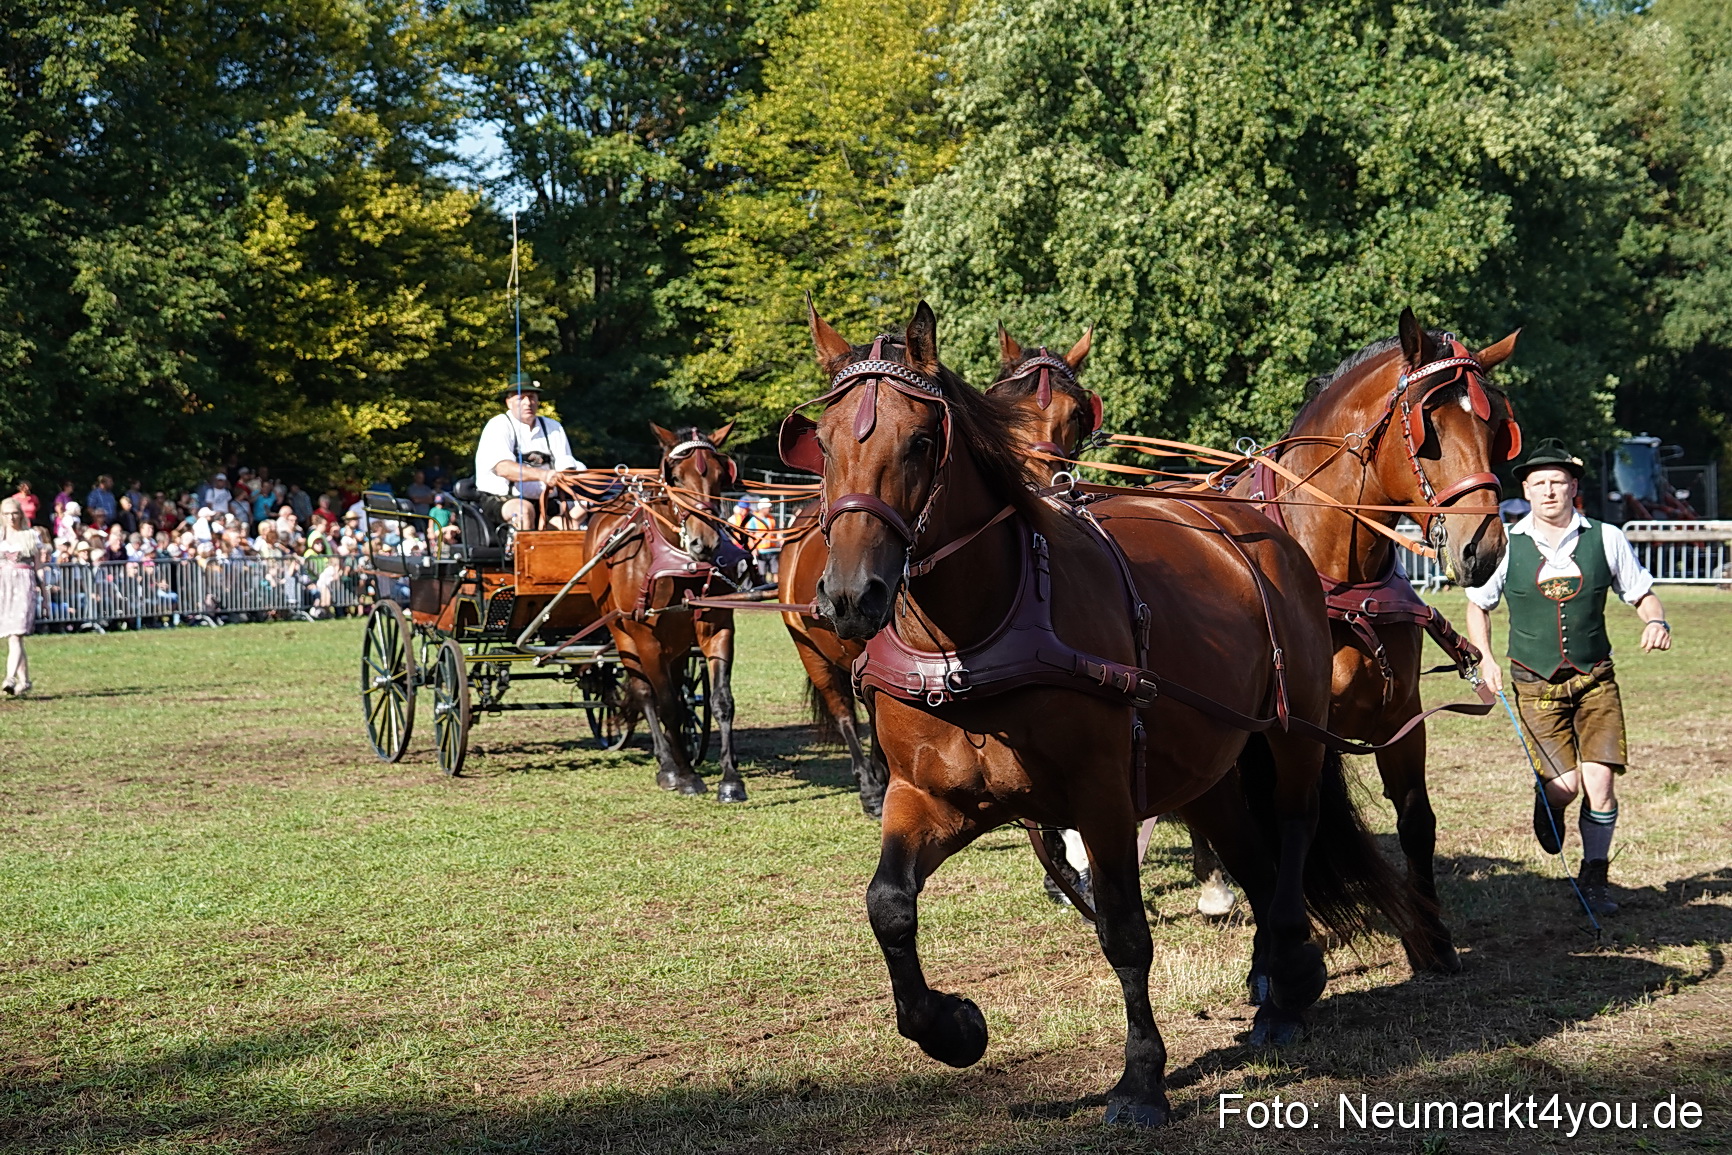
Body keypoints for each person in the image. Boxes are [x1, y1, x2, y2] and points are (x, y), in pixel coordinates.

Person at [1464, 437, 1672, 917]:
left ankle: (1595, 876)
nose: (1549, 491)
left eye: (1557, 482)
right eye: (1539, 484)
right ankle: (1549, 800)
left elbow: (1643, 594)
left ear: (1573, 486)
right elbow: (1478, 605)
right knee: (1566, 786)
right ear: (1527, 492)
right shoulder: (1506, 543)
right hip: (1534, 684)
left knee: (1600, 784)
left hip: (1596, 679)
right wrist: (1485, 659)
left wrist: (1656, 622)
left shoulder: (1607, 537)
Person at [473, 380, 586, 530]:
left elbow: (567, 469)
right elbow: (503, 468)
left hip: (546, 503)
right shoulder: (499, 425)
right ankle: (521, 553)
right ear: (509, 402)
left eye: (532, 397)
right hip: (503, 500)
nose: (528, 403)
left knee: (576, 519)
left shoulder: (554, 427)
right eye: (521, 398)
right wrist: (543, 475)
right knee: (524, 511)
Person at [0, 496, 40, 694]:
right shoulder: (0, 535)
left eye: (14, 513)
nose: (11, 518)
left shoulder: (30, 536)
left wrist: (46, 595)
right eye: (6, 514)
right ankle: (25, 681)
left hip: (23, 585)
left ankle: (10, 677)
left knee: (16, 634)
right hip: (4, 586)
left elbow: (40, 568)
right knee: (13, 637)